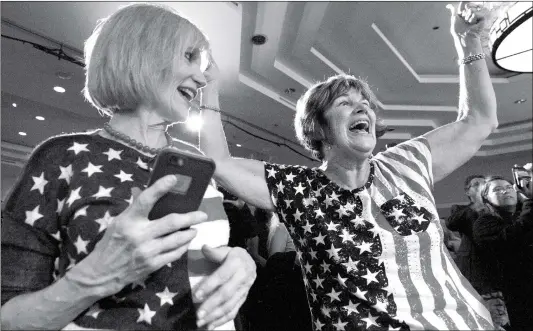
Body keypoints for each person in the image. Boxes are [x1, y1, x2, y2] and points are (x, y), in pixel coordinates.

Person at [198, 2, 498, 330]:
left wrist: (468, 41)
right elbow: (219, 162)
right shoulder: (299, 190)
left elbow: (480, 120)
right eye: (345, 104)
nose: (362, 110)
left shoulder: (407, 162)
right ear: (319, 127)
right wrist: (208, 87)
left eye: (365, 105)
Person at [0, 4, 256, 330]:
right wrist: (95, 277)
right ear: (143, 55)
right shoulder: (61, 157)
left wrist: (238, 264)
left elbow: (199, 261)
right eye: (190, 57)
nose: (203, 78)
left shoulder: (196, 163)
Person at [472, 171, 533, 330]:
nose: (505, 191)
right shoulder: (483, 223)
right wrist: (529, 201)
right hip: (513, 299)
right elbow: (512, 238)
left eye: (508, 187)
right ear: (486, 199)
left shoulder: (522, 214)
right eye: (497, 189)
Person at [446, 176, 488, 283]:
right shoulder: (460, 209)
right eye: (477, 184)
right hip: (473, 264)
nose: (482, 186)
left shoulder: (497, 208)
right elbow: (451, 224)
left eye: (485, 183)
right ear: (468, 192)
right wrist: (477, 204)